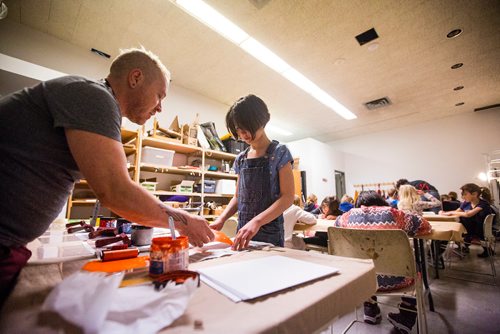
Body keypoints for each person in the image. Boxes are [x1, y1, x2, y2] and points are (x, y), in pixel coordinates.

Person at [0, 47, 215, 306]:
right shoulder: (94, 97)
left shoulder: (93, 100)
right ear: (135, 78)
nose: (160, 108)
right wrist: (184, 222)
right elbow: (115, 191)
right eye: (159, 96)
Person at [334, 191, 431, 334]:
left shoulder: (345, 217)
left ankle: (370, 311)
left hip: (361, 281)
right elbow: (425, 226)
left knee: (366, 262)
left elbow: (336, 224)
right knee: (415, 266)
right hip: (399, 279)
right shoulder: (395, 214)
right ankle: (406, 316)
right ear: (379, 201)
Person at [211, 94, 294, 251]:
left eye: (246, 127)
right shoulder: (241, 158)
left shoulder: (280, 153)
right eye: (238, 129)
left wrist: (257, 221)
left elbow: (288, 197)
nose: (243, 135)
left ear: (261, 120)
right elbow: (238, 197)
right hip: (243, 231)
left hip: (270, 234)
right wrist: (221, 219)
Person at [439, 183, 494, 257]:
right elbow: (457, 211)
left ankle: (439, 252)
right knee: (451, 226)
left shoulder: (483, 204)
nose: (462, 197)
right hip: (469, 230)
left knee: (453, 227)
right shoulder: (466, 203)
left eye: (465, 194)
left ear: (474, 194)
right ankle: (461, 245)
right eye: (462, 194)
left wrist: (451, 213)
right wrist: (445, 213)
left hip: (478, 231)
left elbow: (468, 214)